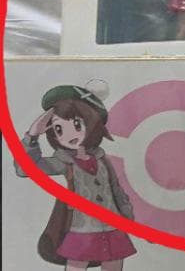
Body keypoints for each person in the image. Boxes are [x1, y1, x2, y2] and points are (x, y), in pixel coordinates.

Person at [15, 80, 137, 269]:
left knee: (113, 264)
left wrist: (128, 218)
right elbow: (25, 169)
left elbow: (116, 191)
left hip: (113, 227)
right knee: (77, 264)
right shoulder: (64, 162)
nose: (68, 134)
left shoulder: (102, 159)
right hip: (81, 228)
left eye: (77, 124)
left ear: (91, 122)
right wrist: (32, 136)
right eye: (59, 128)